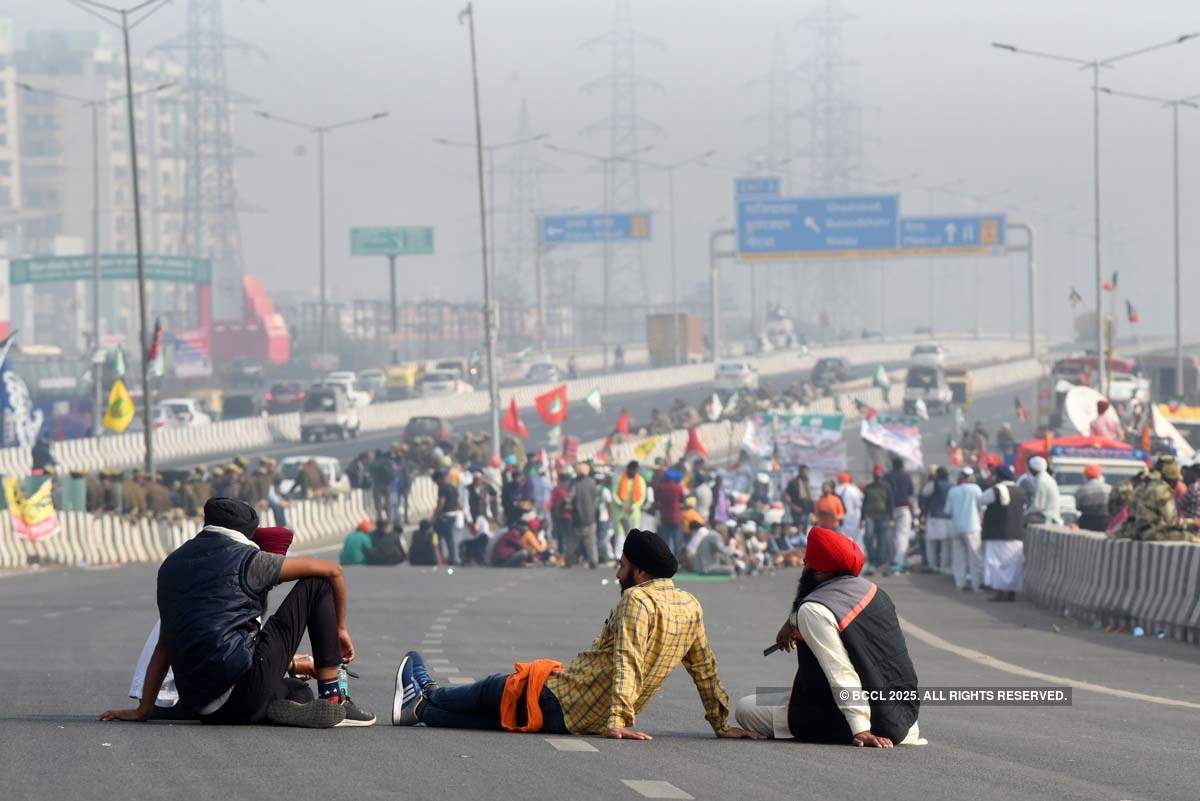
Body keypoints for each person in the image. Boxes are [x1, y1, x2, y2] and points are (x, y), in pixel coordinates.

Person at [391, 529, 763, 741]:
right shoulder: (690, 605)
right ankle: (421, 706)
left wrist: (618, 719)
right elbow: (704, 667)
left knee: (494, 690)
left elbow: (627, 659)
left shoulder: (637, 600)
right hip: (582, 719)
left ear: (640, 572)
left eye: (622, 566)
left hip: (562, 699)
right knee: (494, 719)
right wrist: (720, 723)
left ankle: (427, 692)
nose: (618, 574)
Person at [100, 498, 374, 728]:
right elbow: (332, 571)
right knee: (317, 584)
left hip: (202, 707)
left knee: (297, 690)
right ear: (248, 534)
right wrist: (340, 629)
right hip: (243, 687)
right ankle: (334, 697)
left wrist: (142, 710)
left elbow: (164, 646)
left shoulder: (171, 567)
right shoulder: (251, 559)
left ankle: (275, 707)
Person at [734, 526, 923, 747]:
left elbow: (840, 671)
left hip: (867, 722)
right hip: (903, 719)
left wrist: (860, 729)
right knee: (783, 694)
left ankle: (855, 724)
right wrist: (794, 622)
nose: (803, 566)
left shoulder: (814, 609)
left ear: (822, 572)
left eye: (807, 563)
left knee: (745, 708)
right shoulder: (874, 591)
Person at [979, 466, 1027, 602]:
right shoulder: (1021, 491)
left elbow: (981, 500)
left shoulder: (996, 490)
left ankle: (1000, 592)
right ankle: (1011, 591)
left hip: (998, 533)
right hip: (1016, 534)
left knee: (996, 564)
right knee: (1014, 565)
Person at [944, 467, 984, 591]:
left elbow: (947, 511)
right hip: (972, 527)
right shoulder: (976, 489)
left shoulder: (953, 491)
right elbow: (981, 507)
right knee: (975, 557)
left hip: (956, 527)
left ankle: (960, 584)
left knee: (958, 557)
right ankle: (976, 585)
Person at [860, 465, 894, 575]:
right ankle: (873, 560)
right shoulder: (868, 487)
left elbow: (890, 503)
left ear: (882, 474)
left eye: (879, 473)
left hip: (883, 516)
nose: (877, 475)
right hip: (870, 516)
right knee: (868, 537)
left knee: (882, 540)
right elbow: (864, 504)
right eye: (876, 473)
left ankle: (879, 563)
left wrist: (891, 518)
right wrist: (862, 518)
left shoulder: (887, 487)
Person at [885, 457, 916, 574]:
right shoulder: (906, 476)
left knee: (890, 536)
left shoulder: (887, 476)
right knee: (902, 535)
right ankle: (899, 561)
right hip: (904, 508)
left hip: (890, 509)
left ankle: (891, 559)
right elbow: (911, 495)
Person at [565, 463, 599, 568]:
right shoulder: (593, 483)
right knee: (591, 542)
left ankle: (568, 561)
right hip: (591, 517)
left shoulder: (574, 484)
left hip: (577, 517)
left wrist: (567, 509)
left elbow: (569, 499)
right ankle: (593, 561)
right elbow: (595, 500)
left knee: (572, 541)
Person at [919, 467, 952, 572]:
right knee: (946, 544)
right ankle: (944, 566)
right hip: (948, 518)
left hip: (935, 516)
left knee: (931, 542)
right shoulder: (952, 485)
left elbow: (924, 493)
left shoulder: (934, 484)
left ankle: (932, 565)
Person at [432, 468, 462, 566]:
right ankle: (452, 558)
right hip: (453, 515)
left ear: (438, 479)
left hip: (444, 516)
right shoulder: (453, 487)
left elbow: (441, 502)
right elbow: (457, 503)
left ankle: (439, 557)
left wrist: (435, 515)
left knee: (437, 536)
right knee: (449, 538)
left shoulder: (442, 487)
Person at [654, 467, 686, 556]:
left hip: (664, 517)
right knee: (677, 540)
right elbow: (682, 500)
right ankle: (677, 560)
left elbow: (656, 500)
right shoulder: (678, 488)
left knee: (666, 540)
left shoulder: (660, 487)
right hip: (676, 517)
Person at [1025, 456, 1062, 526]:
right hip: (1049, 515)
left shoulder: (1041, 481)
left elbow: (1037, 506)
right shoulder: (1045, 478)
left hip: (1049, 517)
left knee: (1021, 519)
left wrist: (1026, 513)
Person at [1074, 463, 1111, 532]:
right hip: (1106, 523)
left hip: (1086, 522)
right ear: (1100, 476)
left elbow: (1078, 507)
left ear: (1085, 476)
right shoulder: (1109, 489)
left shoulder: (1080, 491)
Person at [834, 472, 864, 548]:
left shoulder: (837, 490)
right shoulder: (855, 489)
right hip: (855, 518)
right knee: (856, 539)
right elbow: (859, 504)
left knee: (843, 539)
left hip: (842, 518)